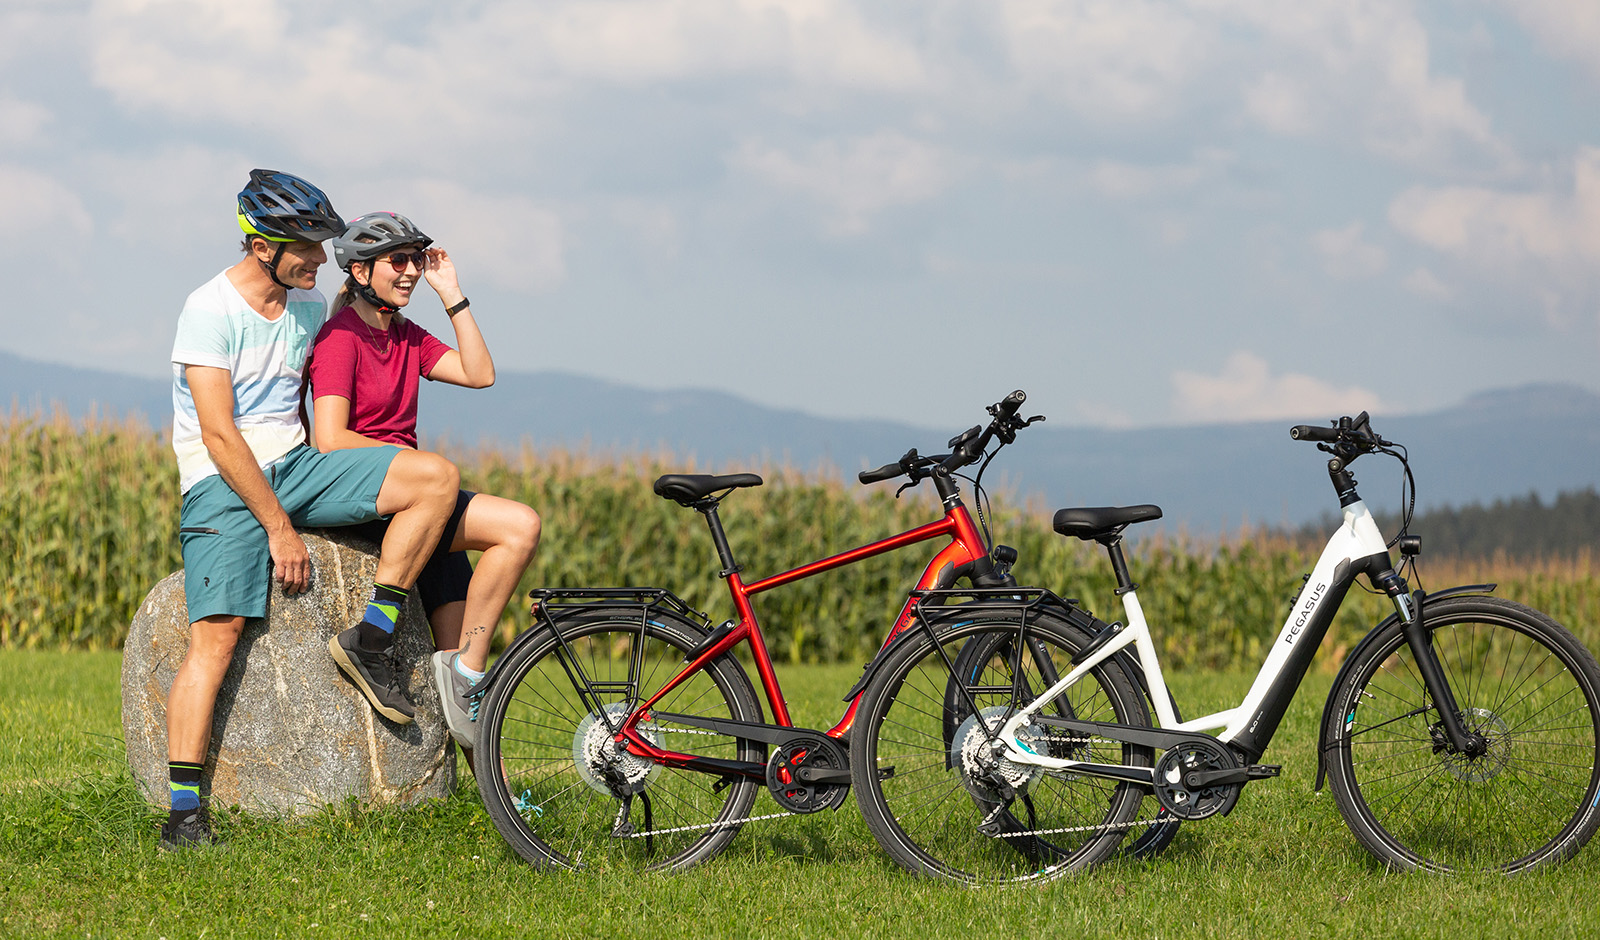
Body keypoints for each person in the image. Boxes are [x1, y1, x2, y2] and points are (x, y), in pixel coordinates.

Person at [165, 171, 460, 850]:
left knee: (435, 479)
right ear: (263, 245)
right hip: (224, 482)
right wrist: (278, 528)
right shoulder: (208, 310)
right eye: (309, 248)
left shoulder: (307, 306)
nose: (322, 262)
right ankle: (183, 813)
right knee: (218, 636)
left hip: (302, 465)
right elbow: (219, 435)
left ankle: (372, 635)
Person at [308, 211, 541, 753]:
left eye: (417, 259)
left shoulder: (408, 334)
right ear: (362, 272)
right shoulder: (341, 338)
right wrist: (410, 466)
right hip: (375, 492)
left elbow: (479, 374)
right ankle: (373, 638)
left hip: (421, 497)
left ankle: (468, 670)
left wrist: (451, 293)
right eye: (399, 260)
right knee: (440, 473)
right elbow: (329, 439)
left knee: (521, 527)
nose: (411, 269)